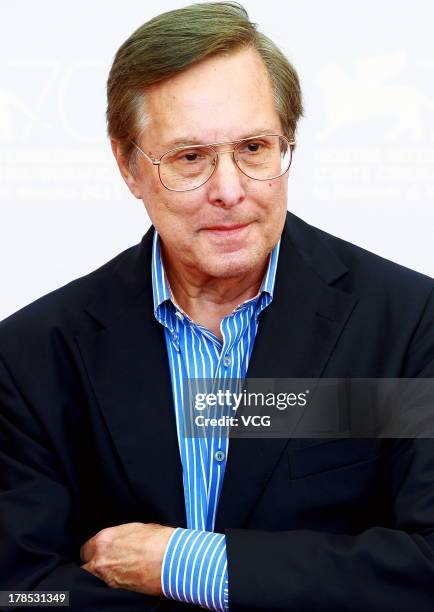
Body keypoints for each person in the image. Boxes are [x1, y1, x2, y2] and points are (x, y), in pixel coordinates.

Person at [0, 2, 433, 611]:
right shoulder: (31, 354)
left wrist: (187, 565)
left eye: (254, 148)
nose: (228, 190)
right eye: (190, 158)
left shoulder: (409, 323)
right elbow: (21, 592)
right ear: (128, 166)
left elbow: (426, 566)